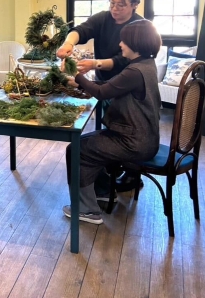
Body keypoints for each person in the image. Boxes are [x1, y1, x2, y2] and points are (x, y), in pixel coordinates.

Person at [62, 19, 162, 224]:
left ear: (136, 43)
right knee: (85, 144)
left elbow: (102, 92)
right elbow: (111, 85)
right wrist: (80, 83)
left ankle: (86, 210)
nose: (120, 44)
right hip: (142, 137)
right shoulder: (145, 65)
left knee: (77, 150)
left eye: (124, 41)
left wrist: (78, 76)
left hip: (134, 142)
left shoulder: (134, 71)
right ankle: (104, 191)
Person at [57, 0, 145, 194]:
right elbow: (81, 30)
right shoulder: (103, 19)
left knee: (122, 128)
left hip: (126, 88)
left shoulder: (139, 27)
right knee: (110, 126)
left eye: (121, 5)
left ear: (134, 5)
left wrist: (94, 64)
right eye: (112, 3)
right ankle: (108, 173)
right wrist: (68, 44)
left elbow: (122, 60)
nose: (114, 9)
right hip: (106, 85)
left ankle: (131, 174)